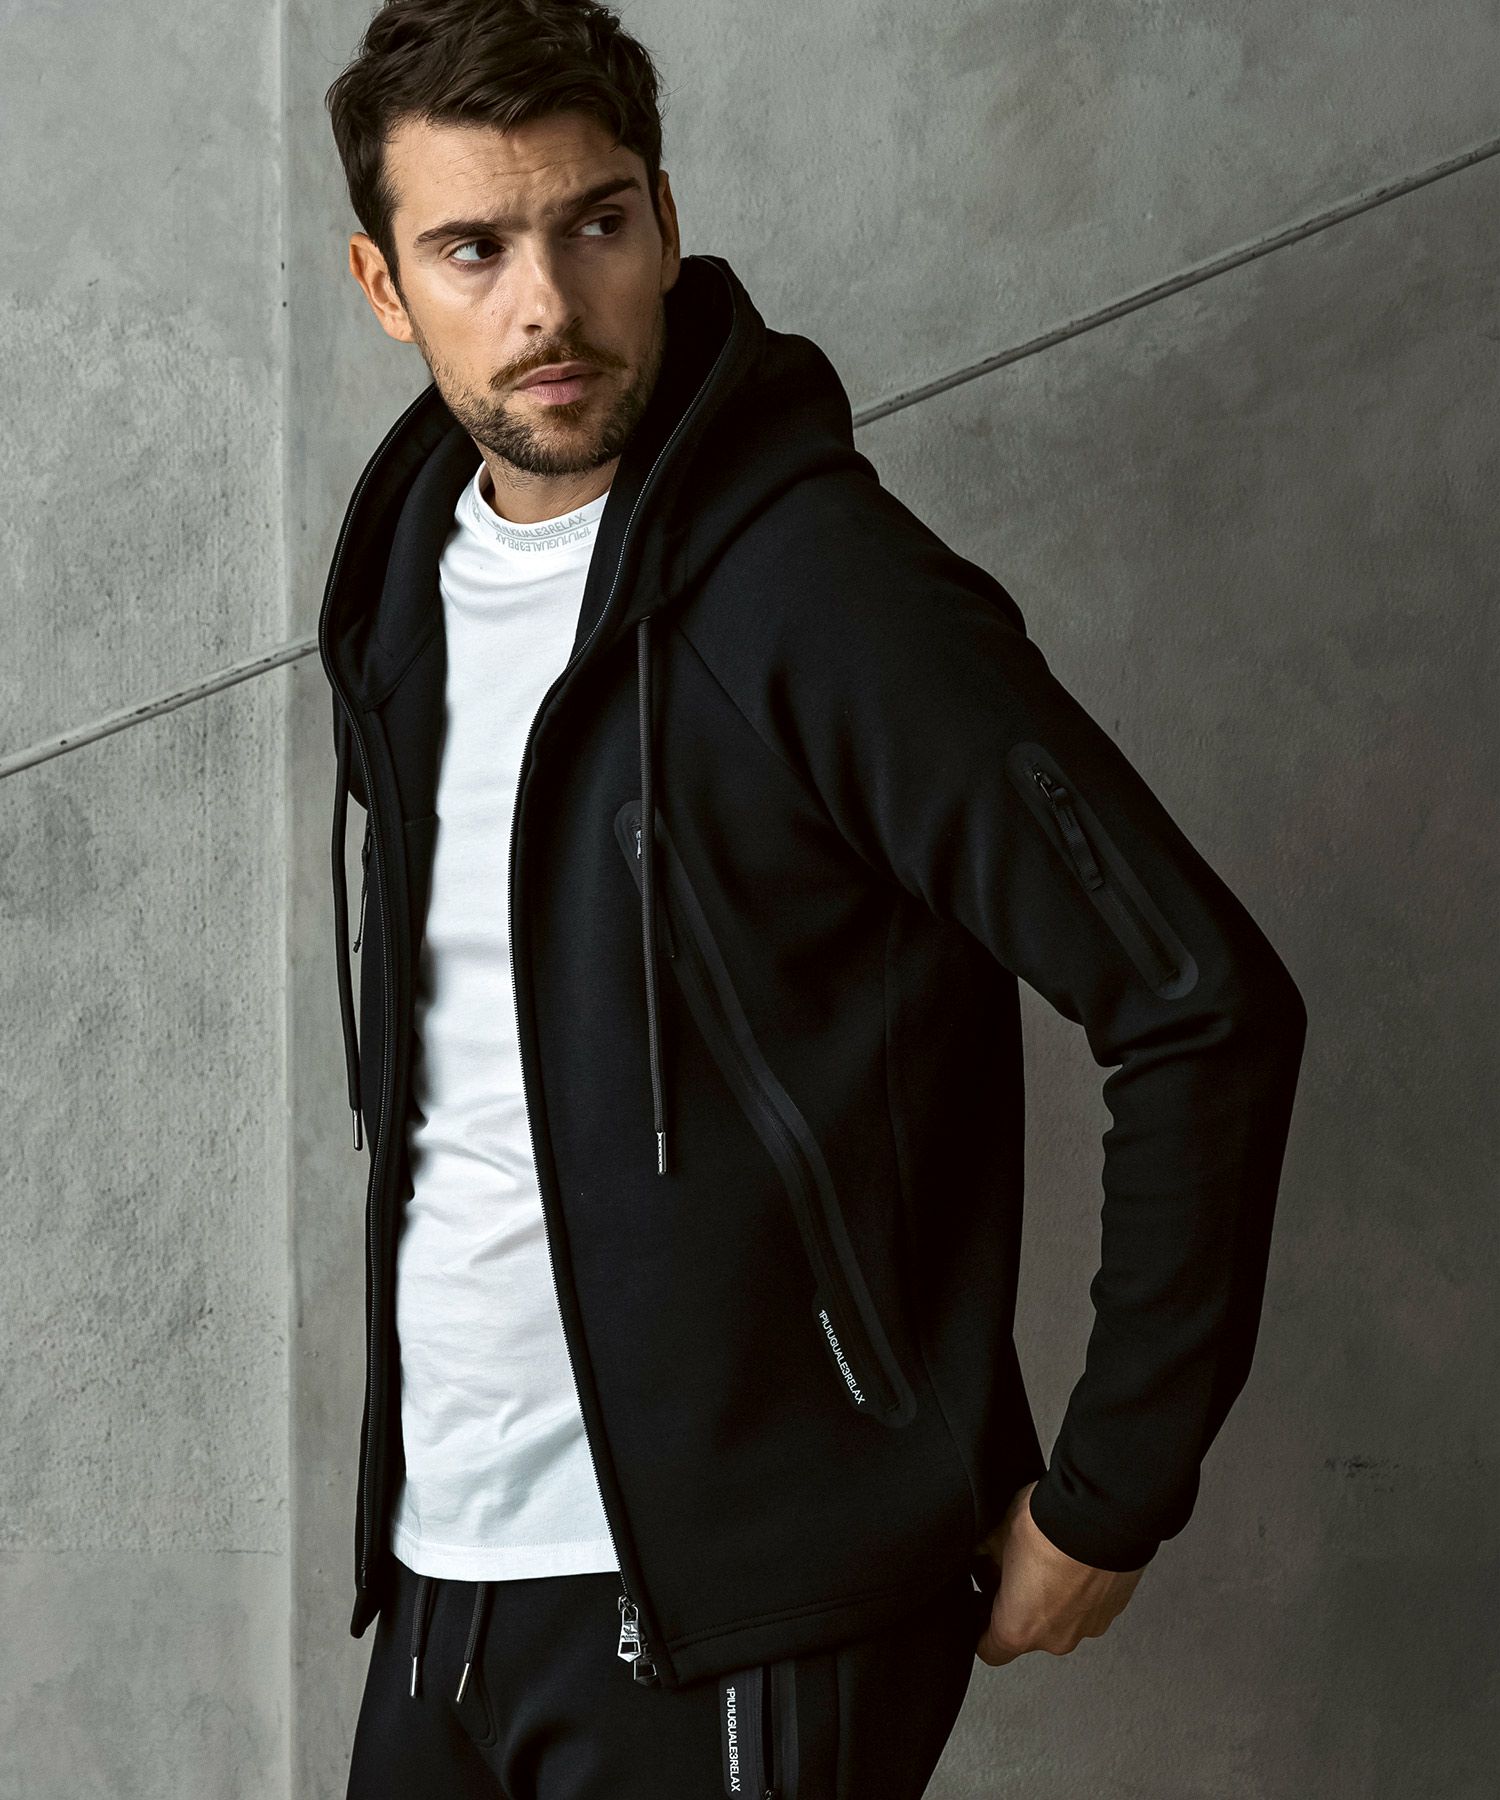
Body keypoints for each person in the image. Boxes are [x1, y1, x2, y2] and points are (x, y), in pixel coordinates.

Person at [319, 3, 1308, 1794]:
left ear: (666, 219)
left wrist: (1112, 1490)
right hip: (445, 1583)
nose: (548, 306)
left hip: (753, 1616)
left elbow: (1196, 1001)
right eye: (474, 249)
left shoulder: (815, 593)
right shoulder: (400, 601)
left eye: (595, 223)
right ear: (385, 285)